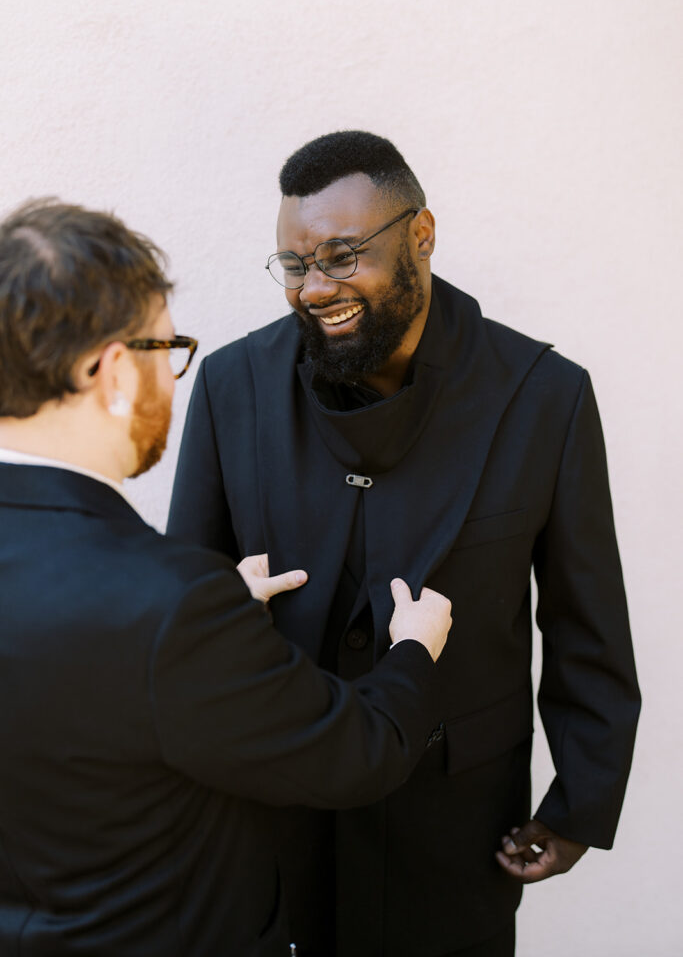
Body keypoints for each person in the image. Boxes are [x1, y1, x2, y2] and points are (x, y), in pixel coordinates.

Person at [168, 131, 641, 957]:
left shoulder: (544, 399)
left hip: (456, 824)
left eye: (342, 256)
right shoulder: (230, 387)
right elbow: (181, 613)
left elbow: (583, 625)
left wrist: (579, 808)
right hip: (271, 818)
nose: (315, 288)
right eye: (293, 264)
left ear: (420, 235)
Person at [0, 198, 453, 957]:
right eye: (164, 348)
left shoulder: (168, 610)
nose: (173, 377)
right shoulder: (173, 606)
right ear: (115, 372)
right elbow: (360, 751)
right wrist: (413, 650)